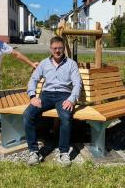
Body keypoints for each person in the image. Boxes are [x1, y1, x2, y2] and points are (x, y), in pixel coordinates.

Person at [23, 36, 82, 167]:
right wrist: (33, 97)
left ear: (64, 49)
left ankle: (64, 152)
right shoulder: (44, 63)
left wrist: (72, 99)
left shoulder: (71, 64)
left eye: (60, 48)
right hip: (46, 95)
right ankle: (33, 151)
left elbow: (77, 84)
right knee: (28, 114)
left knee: (66, 117)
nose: (57, 51)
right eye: (55, 48)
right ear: (50, 49)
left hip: (64, 95)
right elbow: (33, 80)